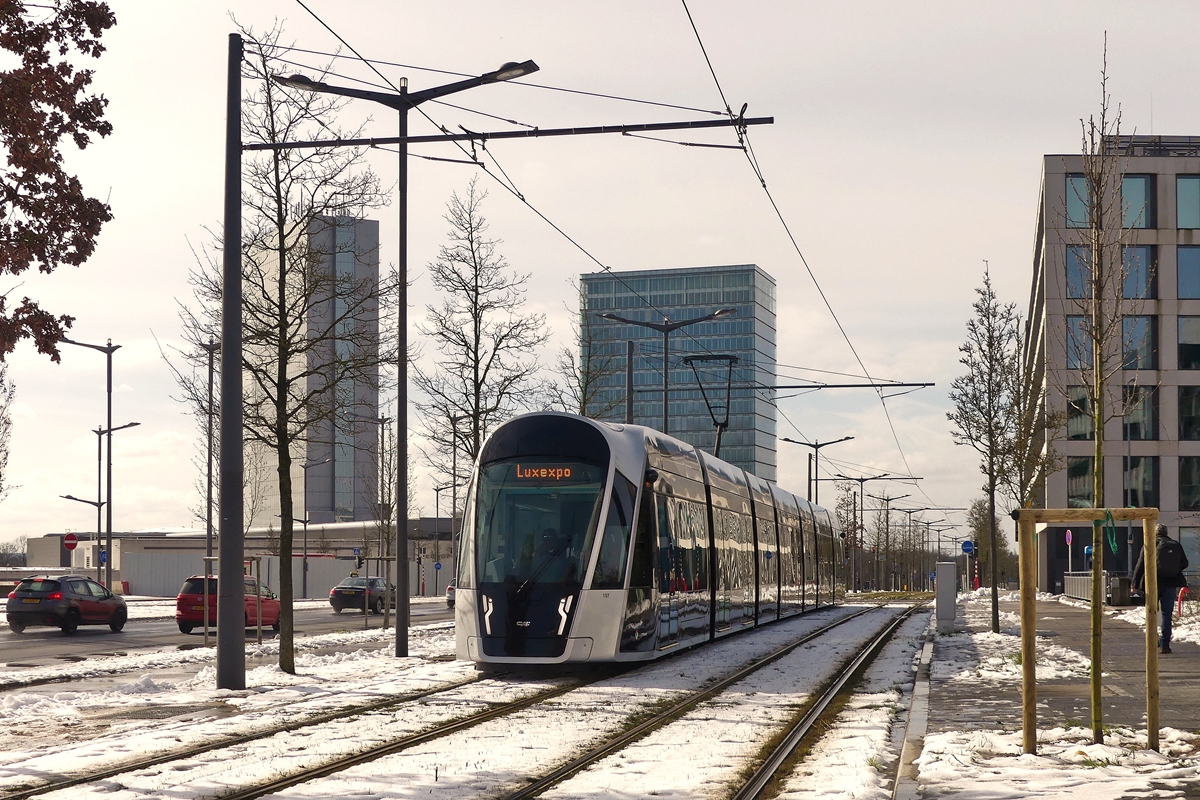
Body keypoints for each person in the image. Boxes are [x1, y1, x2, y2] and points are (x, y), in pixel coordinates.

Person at [1133, 524, 1190, 654]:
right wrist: (1173, 570)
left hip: (1153, 583)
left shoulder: (1150, 544)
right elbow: (1185, 563)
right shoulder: (1175, 545)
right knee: (1166, 614)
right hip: (1170, 583)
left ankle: (1153, 640)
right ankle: (1165, 644)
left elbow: (1140, 564)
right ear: (1166, 532)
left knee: (1151, 612)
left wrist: (1135, 583)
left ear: (1155, 533)